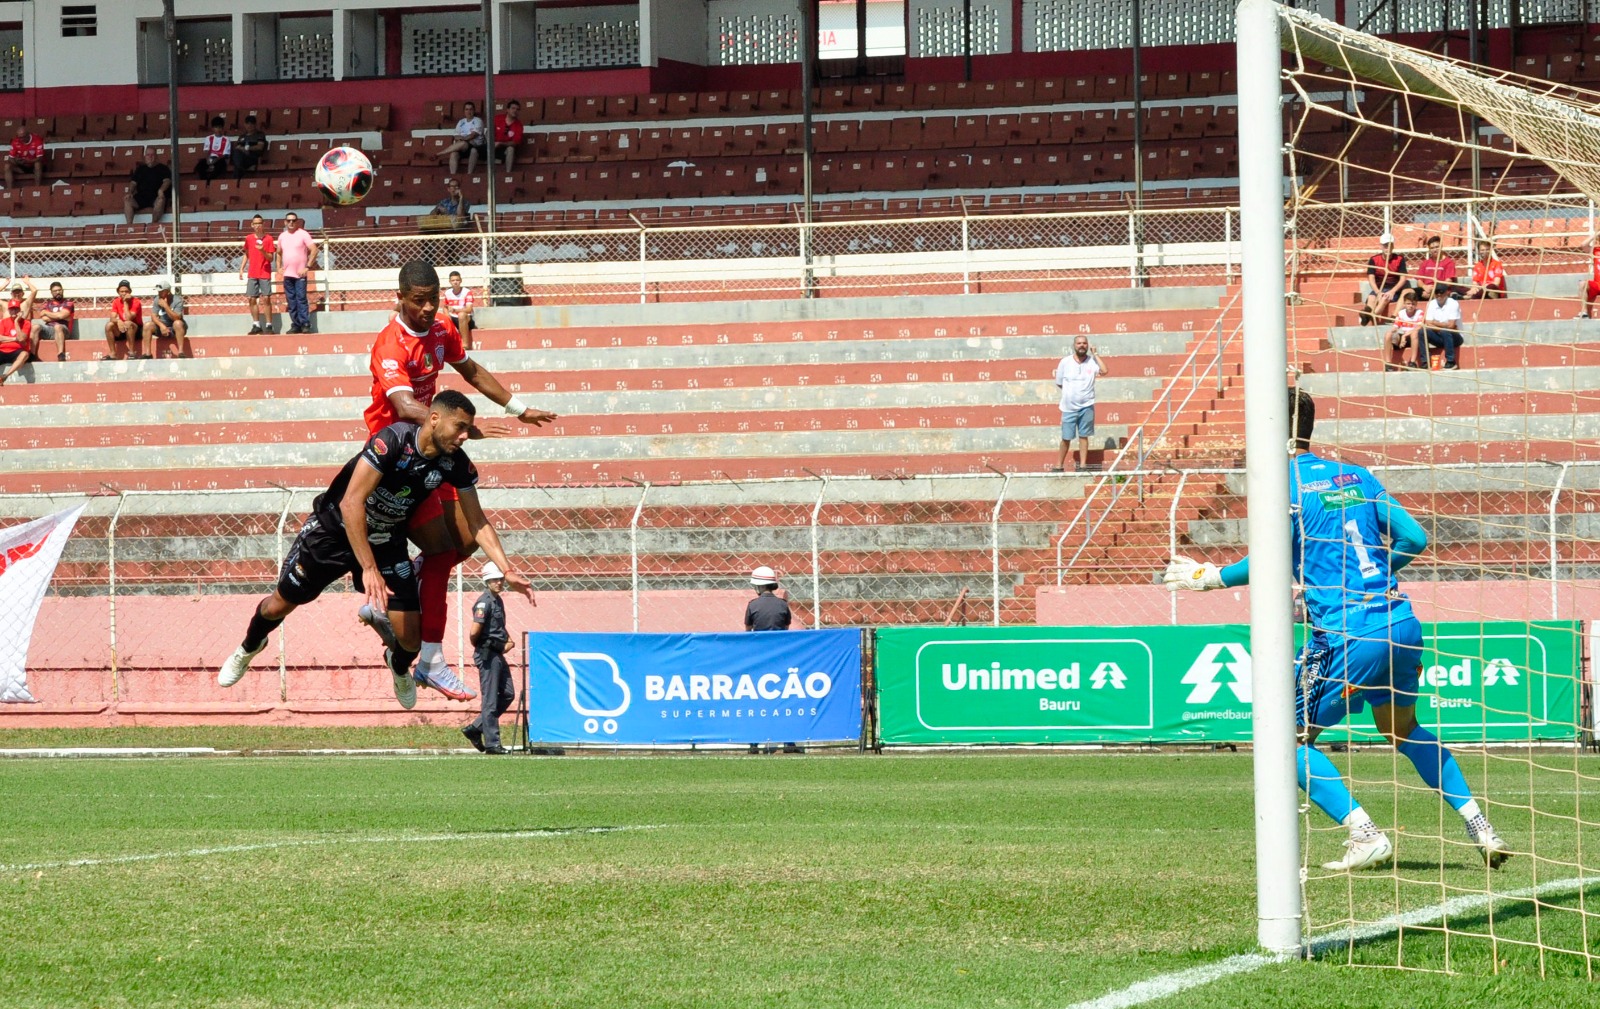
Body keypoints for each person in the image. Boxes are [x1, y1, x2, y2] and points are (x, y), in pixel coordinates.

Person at [1165, 388, 1510, 872]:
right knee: (1402, 728)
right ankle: (1479, 824)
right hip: (1401, 623)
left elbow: (1270, 558)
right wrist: (1373, 579)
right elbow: (1416, 537)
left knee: (1284, 738)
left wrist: (1211, 577)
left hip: (1348, 634)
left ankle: (1364, 832)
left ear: (1271, 426)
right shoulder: (1358, 475)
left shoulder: (1282, 483)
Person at [218, 390, 532, 704]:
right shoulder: (393, 441)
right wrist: (368, 568)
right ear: (434, 419)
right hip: (334, 533)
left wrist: (507, 569)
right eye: (460, 427)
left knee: (411, 640)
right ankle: (249, 646)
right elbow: (352, 503)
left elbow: (477, 522)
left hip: (386, 541)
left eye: (468, 429)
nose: (466, 436)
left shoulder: (455, 463)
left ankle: (397, 666)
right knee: (279, 605)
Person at [354, 260, 557, 696]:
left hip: (437, 444)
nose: (429, 308)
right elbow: (407, 408)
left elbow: (472, 372)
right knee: (444, 548)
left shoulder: (443, 328)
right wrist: (461, 428)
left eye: (434, 299)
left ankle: (404, 591)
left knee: (464, 538)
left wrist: (517, 408)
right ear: (401, 297)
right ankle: (430, 656)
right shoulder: (390, 345)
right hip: (400, 456)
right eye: (419, 301)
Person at [463, 561, 518, 754]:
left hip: (496, 653)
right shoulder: (484, 602)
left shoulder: (497, 600)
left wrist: (507, 640)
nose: (499, 582)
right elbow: (474, 632)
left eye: (501, 579)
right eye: (495, 579)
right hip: (488, 654)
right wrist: (484, 645)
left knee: (508, 693)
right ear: (487, 580)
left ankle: (475, 728)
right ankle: (493, 743)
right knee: (490, 700)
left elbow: (499, 626)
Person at [1052, 334, 1106, 472]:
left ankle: (1082, 466)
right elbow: (1059, 383)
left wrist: (1096, 354)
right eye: (1079, 343)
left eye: (1084, 343)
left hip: (1087, 406)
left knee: (1084, 436)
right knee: (1066, 438)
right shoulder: (1065, 362)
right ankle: (1059, 466)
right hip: (1069, 407)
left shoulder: (1092, 362)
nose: (1082, 346)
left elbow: (1105, 371)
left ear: (1088, 346)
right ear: (1074, 345)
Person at [275, 211, 317, 334]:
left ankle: (305, 324)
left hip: (300, 274)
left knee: (301, 298)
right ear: (285, 222)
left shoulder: (303, 234)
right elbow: (278, 252)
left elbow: (314, 250)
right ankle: (296, 324)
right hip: (287, 274)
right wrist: (278, 267)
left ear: (297, 222)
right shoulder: (282, 236)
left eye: (293, 220)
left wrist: (307, 267)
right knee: (291, 300)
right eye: (289, 220)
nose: (291, 223)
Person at [1360, 232, 1410, 326]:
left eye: (1390, 245)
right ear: (1381, 246)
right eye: (1385, 245)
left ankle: (1370, 315)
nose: (1388, 248)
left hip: (1393, 288)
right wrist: (1378, 292)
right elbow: (1371, 278)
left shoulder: (1399, 259)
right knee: (1371, 297)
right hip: (1379, 288)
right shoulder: (1374, 259)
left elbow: (1403, 278)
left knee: (1384, 298)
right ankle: (1369, 315)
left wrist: (1393, 291)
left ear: (1393, 246)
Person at [240, 213, 277, 335]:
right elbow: (247, 253)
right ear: (252, 225)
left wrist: (262, 250)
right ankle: (256, 324)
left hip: (264, 272)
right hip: (252, 272)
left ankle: (269, 324)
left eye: (259, 223)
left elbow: (271, 258)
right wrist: (242, 268)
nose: (257, 226)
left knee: (266, 298)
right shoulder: (249, 238)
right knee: (251, 299)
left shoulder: (269, 239)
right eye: (255, 223)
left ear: (263, 224)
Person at [124, 147, 172, 227]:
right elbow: (133, 183)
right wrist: (130, 192)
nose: (150, 157)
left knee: (161, 199)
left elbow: (167, 181)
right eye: (148, 155)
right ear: (144, 157)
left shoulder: (163, 168)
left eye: (152, 155)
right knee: (127, 200)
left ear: (156, 156)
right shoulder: (140, 169)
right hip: (142, 197)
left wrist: (161, 190)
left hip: (156, 196)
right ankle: (129, 227)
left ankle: (153, 225)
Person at [1421, 282, 1464, 370]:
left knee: (1446, 331)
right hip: (1440, 336)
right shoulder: (1431, 304)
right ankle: (1425, 361)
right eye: (1437, 292)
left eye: (1441, 292)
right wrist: (1443, 325)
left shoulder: (1453, 303)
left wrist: (1435, 323)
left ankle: (1451, 361)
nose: (1439, 295)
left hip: (1455, 337)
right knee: (1422, 332)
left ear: (1446, 292)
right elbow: (1428, 323)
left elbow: (1451, 325)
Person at [0, 278, 35, 385]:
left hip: (17, 351)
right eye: (12, 309)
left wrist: (16, 322)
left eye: (19, 292)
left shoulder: (26, 321)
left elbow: (22, 339)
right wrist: (5, 284)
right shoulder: (4, 316)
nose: (17, 294)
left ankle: (4, 376)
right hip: (3, 350)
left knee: (24, 354)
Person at [438, 100, 487, 177]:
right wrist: (462, 139)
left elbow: (472, 136)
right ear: (464, 111)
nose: (469, 111)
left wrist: (462, 139)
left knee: (466, 145)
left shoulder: (478, 121)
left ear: (474, 111)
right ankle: (453, 176)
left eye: (471, 109)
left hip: (475, 146)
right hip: (463, 147)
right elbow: (456, 136)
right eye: (466, 109)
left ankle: (439, 153)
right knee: (454, 153)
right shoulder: (461, 122)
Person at [103, 279, 147, 360]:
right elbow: (112, 318)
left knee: (128, 323)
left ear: (130, 291)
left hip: (136, 330)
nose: (124, 293)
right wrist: (118, 321)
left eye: (126, 291)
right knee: (109, 325)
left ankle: (132, 352)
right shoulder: (116, 301)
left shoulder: (136, 301)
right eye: (121, 291)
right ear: (118, 292)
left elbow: (128, 318)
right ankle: (112, 353)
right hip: (123, 328)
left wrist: (126, 303)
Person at [145, 282, 190, 359]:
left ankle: (181, 352)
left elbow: (177, 318)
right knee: (147, 325)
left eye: (161, 291)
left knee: (178, 323)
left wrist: (166, 306)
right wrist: (161, 326)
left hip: (175, 328)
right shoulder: (157, 299)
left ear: (168, 291)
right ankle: (148, 354)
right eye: (158, 291)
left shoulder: (177, 300)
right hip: (162, 327)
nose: (159, 293)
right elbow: (153, 316)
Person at [745, 566, 792, 632]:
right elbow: (786, 627)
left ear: (762, 586)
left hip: (760, 641)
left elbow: (748, 629)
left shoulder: (752, 605)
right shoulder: (783, 604)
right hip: (779, 641)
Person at [35, 281, 73, 362]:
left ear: (62, 290)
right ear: (51, 293)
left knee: (57, 326)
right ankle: (32, 355)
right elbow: (44, 318)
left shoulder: (68, 303)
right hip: (49, 329)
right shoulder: (47, 304)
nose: (58, 292)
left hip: (64, 330)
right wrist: (60, 316)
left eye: (59, 290)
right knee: (35, 327)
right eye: (55, 291)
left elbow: (61, 315)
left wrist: (47, 313)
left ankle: (61, 354)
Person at [1413, 235, 1458, 301]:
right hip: (1425, 289)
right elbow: (1419, 281)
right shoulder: (1425, 263)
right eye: (1432, 248)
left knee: (1437, 293)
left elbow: (1448, 282)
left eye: (1437, 247)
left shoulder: (1449, 262)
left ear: (1441, 247)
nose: (1435, 250)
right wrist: (1425, 287)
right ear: (1429, 249)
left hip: (1441, 290)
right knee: (1406, 292)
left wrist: (1432, 289)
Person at [1386, 288, 1423, 370]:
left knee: (1414, 334)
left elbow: (1419, 327)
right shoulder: (1401, 313)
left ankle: (1412, 362)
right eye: (1408, 304)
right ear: (1404, 304)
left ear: (1416, 304)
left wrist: (1404, 336)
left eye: (1413, 304)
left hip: (1412, 337)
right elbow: (1396, 326)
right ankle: (1388, 364)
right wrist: (1392, 332)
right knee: (1388, 334)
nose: (1410, 306)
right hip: (1402, 335)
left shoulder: (1419, 312)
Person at [3, 124, 44, 189]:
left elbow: (40, 158)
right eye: (19, 137)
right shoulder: (15, 141)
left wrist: (28, 161)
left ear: (28, 134)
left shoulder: (37, 140)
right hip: (22, 166)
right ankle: (10, 191)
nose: (21, 139)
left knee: (38, 164)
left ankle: (37, 189)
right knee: (7, 166)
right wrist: (17, 161)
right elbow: (11, 158)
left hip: (33, 165)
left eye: (23, 137)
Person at [442, 270, 476, 350]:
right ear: (450, 282)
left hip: (466, 318)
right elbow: (445, 307)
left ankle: (465, 345)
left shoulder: (467, 292)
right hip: (453, 318)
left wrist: (455, 310)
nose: (455, 282)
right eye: (453, 280)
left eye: (457, 280)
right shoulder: (447, 293)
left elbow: (469, 309)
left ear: (461, 281)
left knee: (461, 315)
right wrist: (448, 317)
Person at [231, 115, 268, 182]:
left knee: (237, 163)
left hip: (252, 157)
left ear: (255, 125)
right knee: (236, 154)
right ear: (244, 124)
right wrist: (242, 150)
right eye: (247, 123)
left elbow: (260, 147)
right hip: (242, 157)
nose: (249, 126)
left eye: (252, 124)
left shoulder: (260, 134)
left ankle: (234, 183)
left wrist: (246, 148)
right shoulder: (242, 136)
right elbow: (238, 147)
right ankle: (238, 174)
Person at [492, 100, 525, 173]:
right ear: (507, 110)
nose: (515, 111)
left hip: (504, 149)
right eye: (513, 108)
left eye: (517, 109)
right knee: (474, 150)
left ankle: (508, 174)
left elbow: (515, 143)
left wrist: (500, 143)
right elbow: (489, 132)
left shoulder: (519, 125)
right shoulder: (497, 118)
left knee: (511, 149)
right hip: (492, 146)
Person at [196, 117, 231, 183]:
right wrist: (208, 159)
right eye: (216, 127)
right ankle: (204, 182)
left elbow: (226, 154)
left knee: (220, 166)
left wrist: (216, 159)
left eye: (220, 127)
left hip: (220, 159)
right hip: (210, 157)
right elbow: (206, 150)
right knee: (199, 166)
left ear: (222, 128)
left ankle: (209, 181)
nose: (218, 129)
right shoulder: (208, 138)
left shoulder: (226, 139)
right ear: (213, 128)